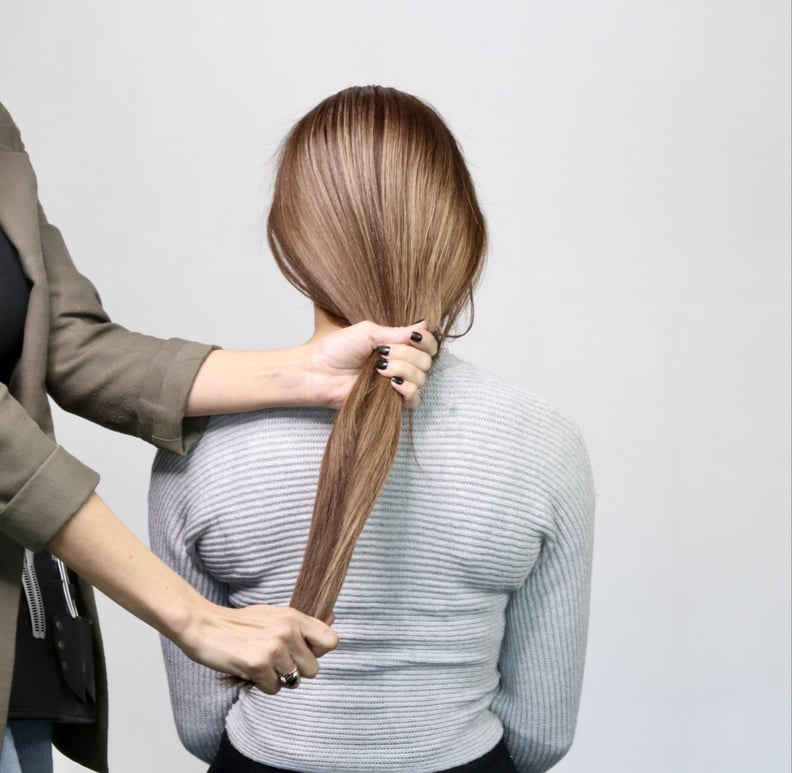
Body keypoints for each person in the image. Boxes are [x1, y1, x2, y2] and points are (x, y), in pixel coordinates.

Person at [149, 85, 595, 773]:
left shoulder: (200, 445)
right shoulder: (543, 443)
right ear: (464, 233)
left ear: (289, 237)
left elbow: (203, 724)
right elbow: (540, 734)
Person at [0, 100, 437, 773]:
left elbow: (66, 340)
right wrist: (194, 617)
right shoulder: (543, 442)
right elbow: (539, 734)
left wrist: (306, 372)